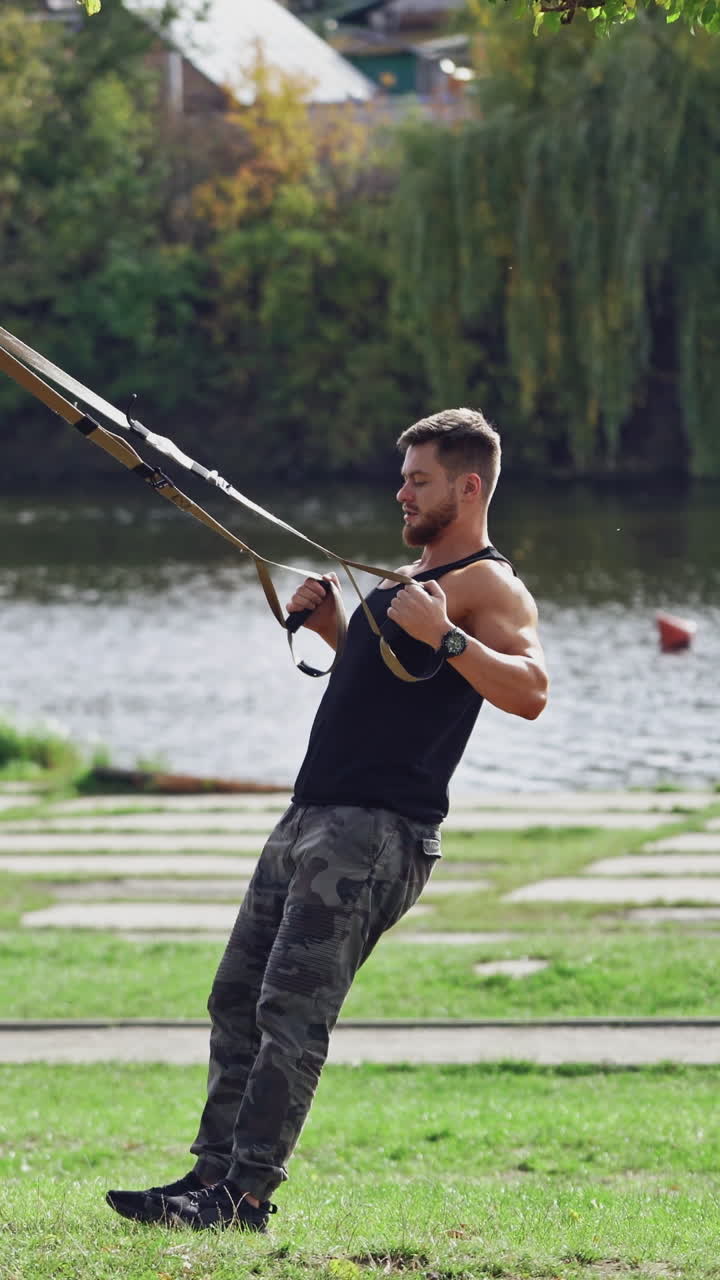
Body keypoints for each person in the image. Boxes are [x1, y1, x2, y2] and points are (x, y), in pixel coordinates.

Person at [106, 407, 548, 1233]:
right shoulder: (404, 578)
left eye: (419, 480)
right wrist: (334, 627)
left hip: (376, 833)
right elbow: (390, 681)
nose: (401, 493)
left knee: (291, 1013)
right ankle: (207, 1179)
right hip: (311, 816)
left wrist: (449, 635)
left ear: (469, 485)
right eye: (404, 478)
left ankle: (244, 1198)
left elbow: (530, 691)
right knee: (236, 998)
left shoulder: (489, 585)